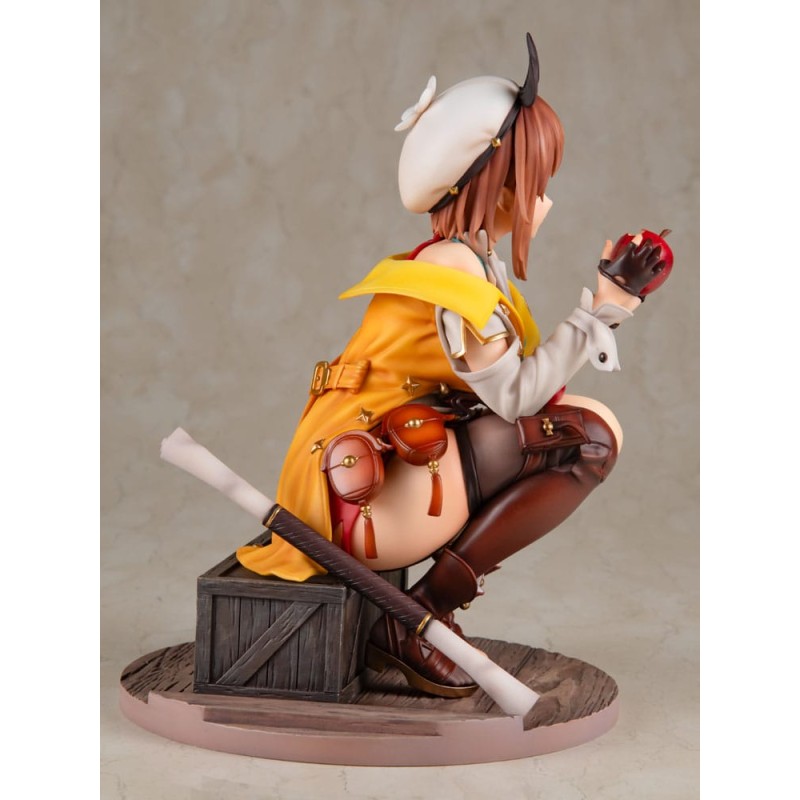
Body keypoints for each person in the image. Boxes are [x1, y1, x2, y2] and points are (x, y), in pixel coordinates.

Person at [237, 34, 669, 698]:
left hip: (375, 467)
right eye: (534, 183)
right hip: (357, 493)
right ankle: (419, 619)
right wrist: (604, 310)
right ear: (495, 187)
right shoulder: (453, 275)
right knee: (588, 440)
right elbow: (518, 398)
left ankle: (421, 616)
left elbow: (523, 389)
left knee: (584, 425)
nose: (543, 202)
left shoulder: (468, 261)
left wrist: (603, 311)